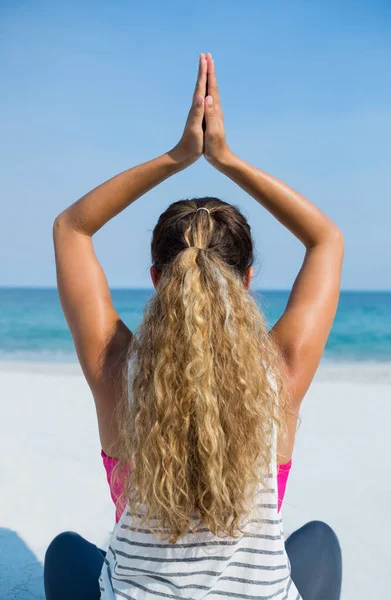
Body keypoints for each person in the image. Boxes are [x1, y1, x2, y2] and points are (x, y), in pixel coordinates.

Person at [45, 53, 343, 599]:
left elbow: (71, 229)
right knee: (320, 540)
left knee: (65, 551)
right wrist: (224, 159)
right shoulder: (280, 373)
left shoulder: (117, 369)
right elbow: (326, 239)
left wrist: (178, 157)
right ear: (247, 280)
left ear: (158, 278)